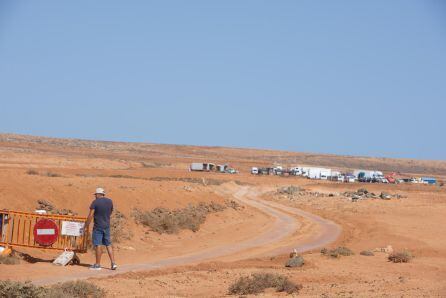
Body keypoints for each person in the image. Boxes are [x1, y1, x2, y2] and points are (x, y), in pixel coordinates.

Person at [85, 187, 117, 270]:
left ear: (99, 194)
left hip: (98, 226)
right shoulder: (110, 201)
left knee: (98, 245)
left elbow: (90, 215)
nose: (95, 196)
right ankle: (113, 263)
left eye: (95, 194)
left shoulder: (95, 202)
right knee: (108, 244)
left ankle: (97, 264)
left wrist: (86, 225)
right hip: (107, 226)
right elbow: (111, 211)